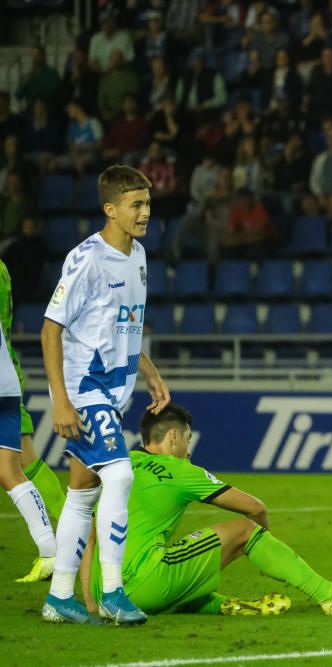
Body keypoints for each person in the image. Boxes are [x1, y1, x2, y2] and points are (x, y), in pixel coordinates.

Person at [80, 404, 332, 616]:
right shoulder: (181, 470)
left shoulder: (118, 466)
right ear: (173, 436)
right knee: (246, 530)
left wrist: (92, 602)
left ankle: (222, 605)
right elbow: (254, 508)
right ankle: (330, 595)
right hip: (148, 583)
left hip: (110, 592)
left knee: (182, 560)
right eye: (188, 438)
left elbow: (90, 536)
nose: (189, 448)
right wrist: (264, 545)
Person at [40, 165, 171, 625]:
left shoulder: (138, 256)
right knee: (120, 477)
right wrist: (60, 400)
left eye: (148, 204)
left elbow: (124, 324)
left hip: (114, 390)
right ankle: (113, 591)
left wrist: (150, 371)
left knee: (82, 491)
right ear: (109, 209)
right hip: (84, 389)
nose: (144, 213)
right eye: (135, 205)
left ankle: (58, 597)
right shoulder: (86, 259)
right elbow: (50, 329)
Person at [0, 258, 60, 584]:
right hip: (6, 369)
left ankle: (71, 525)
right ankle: (56, 544)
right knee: (15, 465)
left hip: (2, 370)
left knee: (22, 461)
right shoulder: (3, 268)